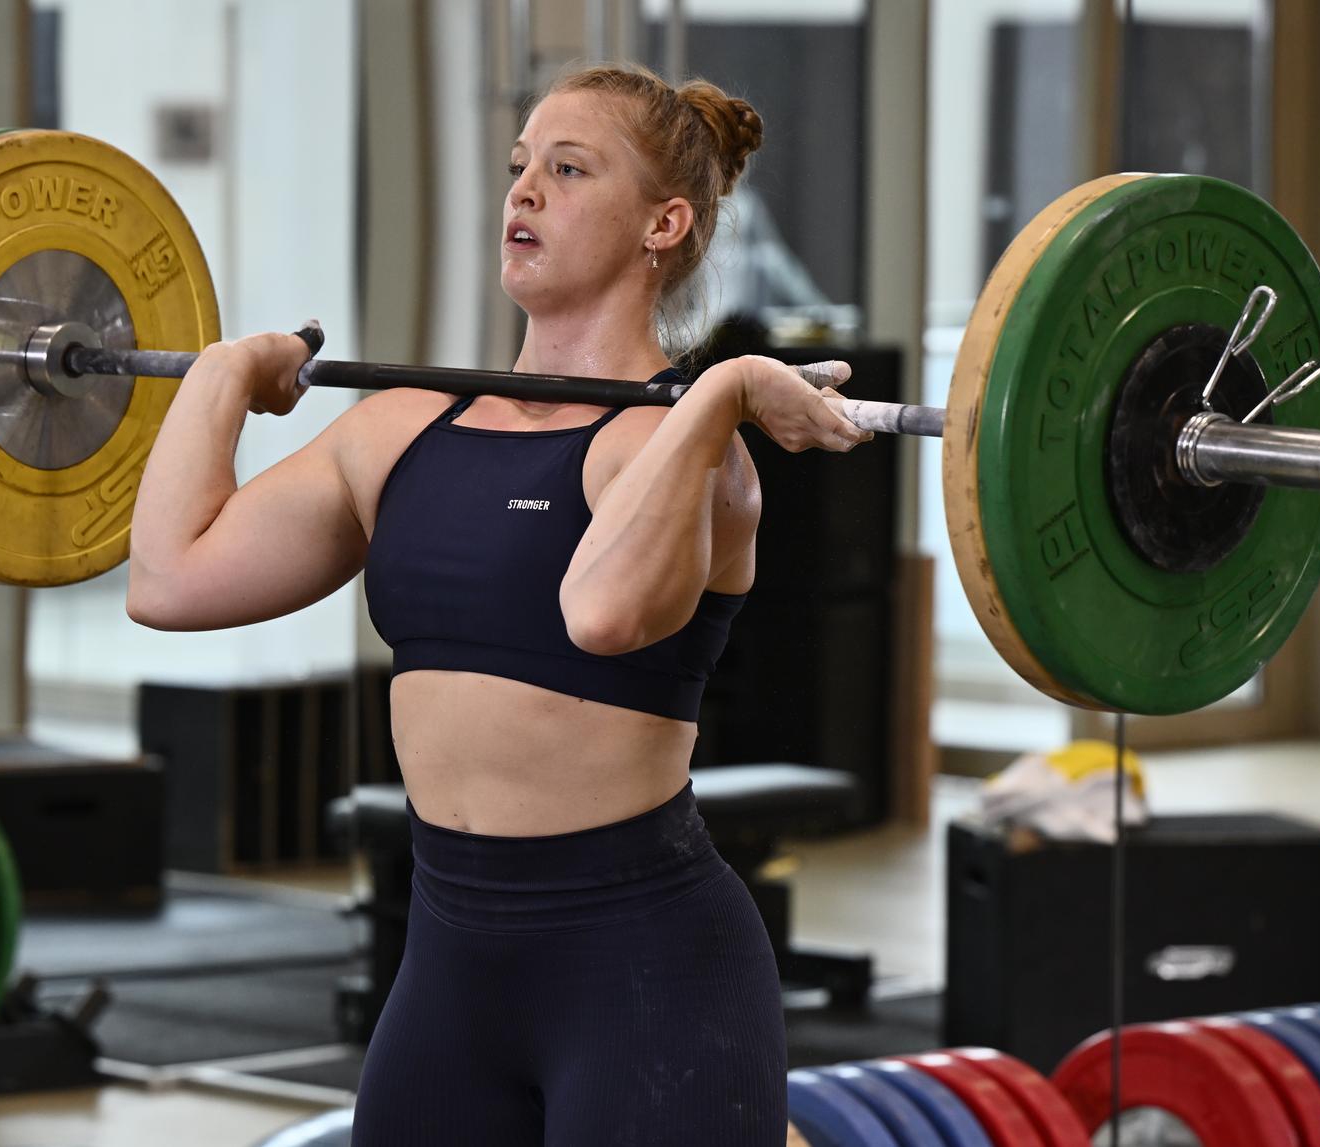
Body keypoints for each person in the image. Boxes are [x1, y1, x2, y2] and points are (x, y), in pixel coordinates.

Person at [126, 62, 871, 1147]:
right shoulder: (402, 429)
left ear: (664, 223)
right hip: (451, 962)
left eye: (568, 170)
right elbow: (170, 580)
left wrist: (715, 393)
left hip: (645, 967)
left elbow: (605, 616)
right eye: (521, 165)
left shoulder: (689, 457)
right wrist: (224, 377)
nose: (523, 191)